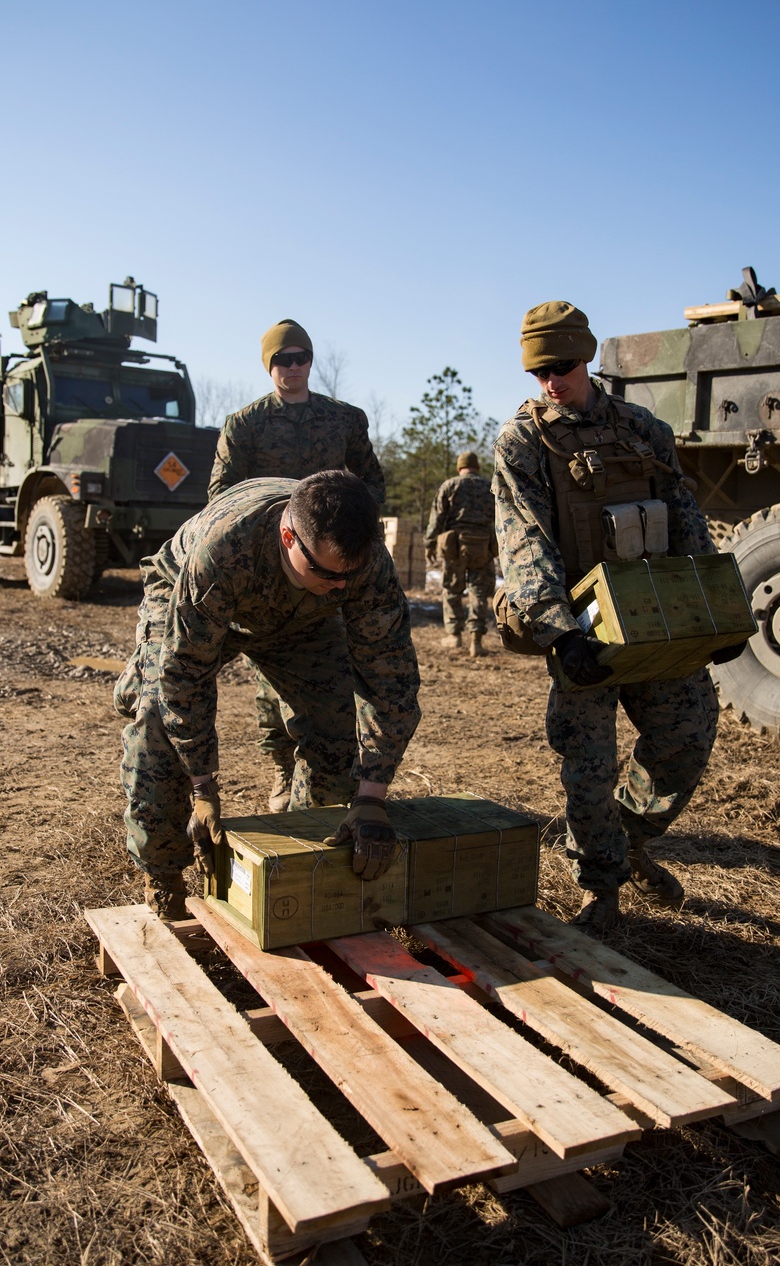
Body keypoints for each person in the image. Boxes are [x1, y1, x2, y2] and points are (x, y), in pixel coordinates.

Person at [493, 301, 741, 933]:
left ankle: (628, 842)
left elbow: (685, 518)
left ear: (589, 357)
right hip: (582, 628)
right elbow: (524, 541)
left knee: (687, 737)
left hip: (655, 616)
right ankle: (600, 887)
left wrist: (712, 615)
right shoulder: (524, 441)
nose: (552, 381)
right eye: (538, 371)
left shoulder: (644, 431)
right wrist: (560, 631)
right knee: (587, 763)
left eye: (564, 366)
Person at [115, 470, 420, 920]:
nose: (341, 585)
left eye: (348, 577)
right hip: (194, 595)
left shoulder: (362, 565)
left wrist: (371, 798)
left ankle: (303, 863)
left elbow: (389, 678)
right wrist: (202, 785)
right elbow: (186, 675)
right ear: (287, 535)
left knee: (335, 728)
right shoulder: (222, 552)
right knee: (157, 714)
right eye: (326, 571)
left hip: (304, 619)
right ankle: (163, 879)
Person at [208, 319, 387, 811]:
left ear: (311, 362)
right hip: (271, 562)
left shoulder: (344, 419)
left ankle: (320, 774)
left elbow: (371, 477)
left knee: (323, 665)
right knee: (270, 671)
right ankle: (282, 768)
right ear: (269, 366)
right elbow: (221, 497)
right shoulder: (246, 425)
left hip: (328, 564)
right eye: (282, 359)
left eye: (300, 358)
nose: (292, 367)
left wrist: (354, 529)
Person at [424, 451, 498, 657]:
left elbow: (437, 517)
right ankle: (476, 640)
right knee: (479, 592)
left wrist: (429, 543)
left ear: (460, 467)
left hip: (455, 545)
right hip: (482, 544)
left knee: (452, 590)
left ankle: (454, 636)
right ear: (477, 467)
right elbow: (499, 516)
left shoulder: (450, 485)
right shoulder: (489, 487)